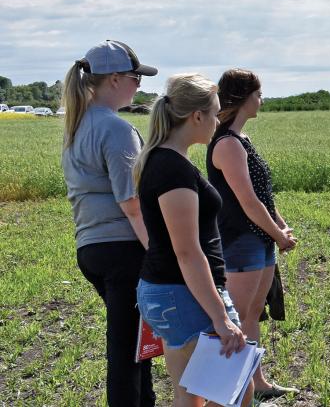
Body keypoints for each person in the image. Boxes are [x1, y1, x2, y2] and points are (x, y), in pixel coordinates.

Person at [133, 73, 252, 406]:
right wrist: (221, 318)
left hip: (170, 294)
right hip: (183, 296)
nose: (217, 121)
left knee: (190, 396)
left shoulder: (166, 161)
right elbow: (187, 252)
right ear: (196, 116)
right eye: (214, 113)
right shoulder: (173, 170)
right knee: (235, 393)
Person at [62, 40, 158, 406]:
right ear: (115, 79)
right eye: (136, 78)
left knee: (138, 345)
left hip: (91, 249)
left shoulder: (77, 124)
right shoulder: (116, 129)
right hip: (123, 250)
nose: (140, 85)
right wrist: (160, 253)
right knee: (126, 354)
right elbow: (132, 203)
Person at [207, 68, 299, 400]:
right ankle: (224, 392)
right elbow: (246, 201)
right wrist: (277, 234)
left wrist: (280, 225)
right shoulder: (228, 145)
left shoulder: (242, 140)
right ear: (244, 98)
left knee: (250, 317)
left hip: (258, 238)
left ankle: (255, 383)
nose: (262, 100)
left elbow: (263, 195)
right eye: (258, 94)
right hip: (240, 241)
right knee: (235, 321)